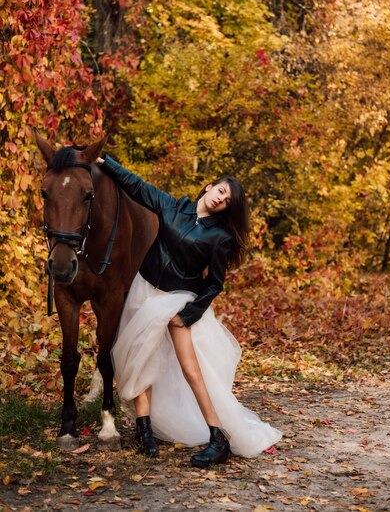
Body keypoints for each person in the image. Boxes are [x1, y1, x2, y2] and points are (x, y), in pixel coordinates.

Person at [96, 154, 281, 467]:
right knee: (141, 359)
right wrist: (106, 162)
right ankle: (144, 431)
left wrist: (190, 313)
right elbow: (137, 186)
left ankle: (218, 436)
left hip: (179, 301)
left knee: (192, 370)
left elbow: (214, 284)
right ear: (209, 187)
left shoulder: (219, 237)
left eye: (227, 200)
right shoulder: (173, 206)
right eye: (220, 191)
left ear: (227, 209)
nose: (221, 199)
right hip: (145, 290)